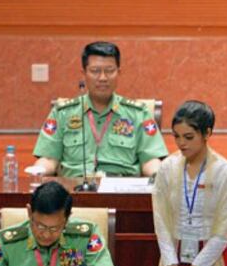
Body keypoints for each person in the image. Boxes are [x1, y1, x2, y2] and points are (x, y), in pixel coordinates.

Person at [33, 41, 168, 178]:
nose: (103, 78)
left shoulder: (138, 114)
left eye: (109, 71)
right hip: (74, 191)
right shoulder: (63, 113)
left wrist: (158, 175)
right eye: (95, 71)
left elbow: (150, 159)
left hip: (121, 191)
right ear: (84, 73)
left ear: (118, 73)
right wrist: (37, 171)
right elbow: (49, 159)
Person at [152, 100, 227, 266]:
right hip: (173, 262)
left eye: (188, 137)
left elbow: (225, 231)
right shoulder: (167, 167)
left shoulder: (225, 171)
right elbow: (161, 222)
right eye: (176, 136)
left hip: (209, 264)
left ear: (207, 134)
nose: (181, 143)